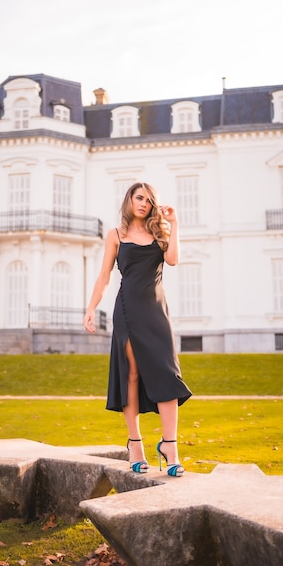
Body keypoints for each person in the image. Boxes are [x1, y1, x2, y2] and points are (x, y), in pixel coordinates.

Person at [83, 182, 192, 477]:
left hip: (156, 313)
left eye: (148, 200)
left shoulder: (160, 233)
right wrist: (91, 308)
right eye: (139, 197)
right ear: (129, 200)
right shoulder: (116, 236)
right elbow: (104, 276)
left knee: (167, 374)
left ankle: (170, 446)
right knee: (130, 375)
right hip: (128, 312)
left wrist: (174, 223)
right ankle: (135, 444)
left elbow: (172, 260)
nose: (143, 203)